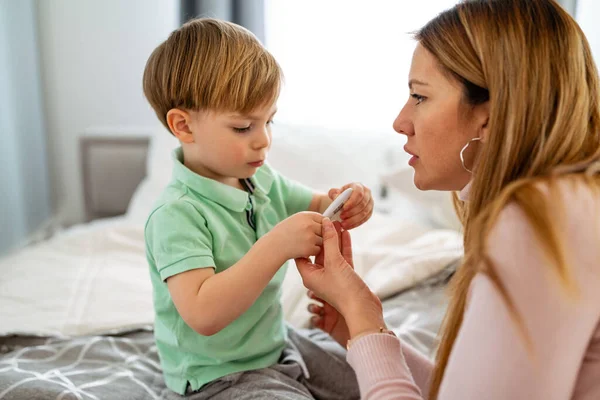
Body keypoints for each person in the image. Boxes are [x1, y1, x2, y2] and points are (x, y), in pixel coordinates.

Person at [296, 0, 600, 398]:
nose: (400, 122)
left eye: (419, 97)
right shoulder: (572, 203)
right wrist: (362, 328)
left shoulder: (538, 223)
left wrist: (361, 315)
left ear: (489, 116)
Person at [142, 18, 372, 399]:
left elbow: (318, 207)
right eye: (244, 127)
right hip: (217, 376)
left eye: (269, 121)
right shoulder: (176, 214)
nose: (263, 140)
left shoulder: (260, 181)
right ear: (184, 126)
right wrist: (276, 245)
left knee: (374, 377)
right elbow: (203, 314)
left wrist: (347, 202)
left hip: (277, 345)